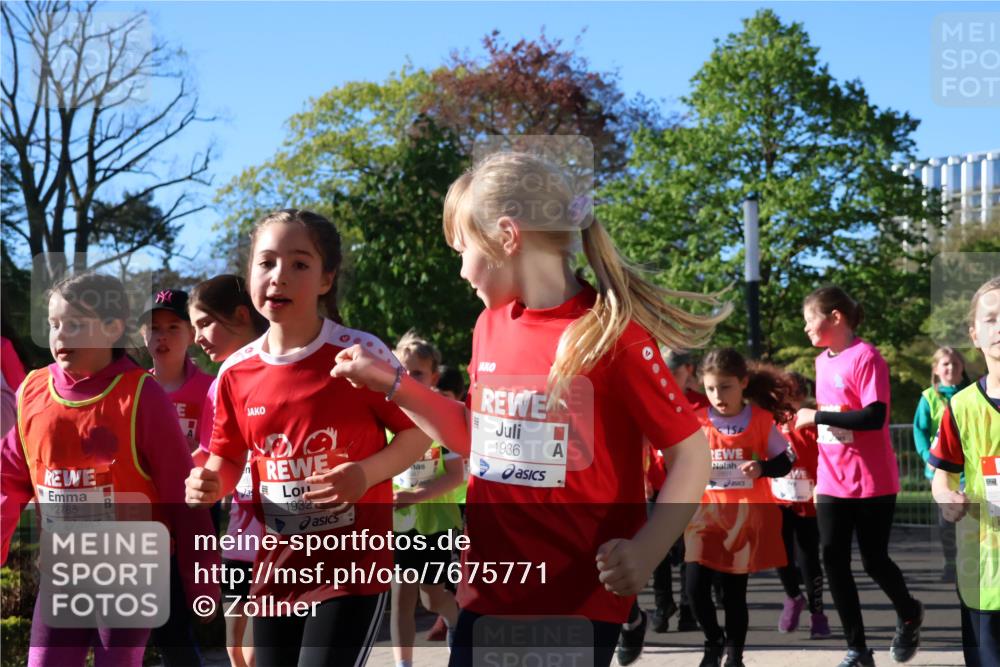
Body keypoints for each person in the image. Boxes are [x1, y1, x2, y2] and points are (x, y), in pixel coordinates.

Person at [331, 152, 725, 667]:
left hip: (575, 600)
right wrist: (392, 384)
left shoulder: (612, 335)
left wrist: (648, 550)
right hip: (486, 591)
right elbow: (473, 437)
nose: (459, 269)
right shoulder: (488, 326)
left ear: (506, 238)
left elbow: (692, 455)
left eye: (462, 249)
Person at [184, 209, 431, 667]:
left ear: (325, 279)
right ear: (250, 274)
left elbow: (419, 434)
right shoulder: (235, 371)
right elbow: (226, 458)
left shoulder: (360, 353)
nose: (280, 277)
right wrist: (208, 483)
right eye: (266, 262)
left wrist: (366, 473)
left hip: (352, 570)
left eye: (300, 264)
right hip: (276, 570)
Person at [0, 272, 219, 667]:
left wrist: (200, 576)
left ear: (113, 328)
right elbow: (9, 477)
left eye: (76, 325)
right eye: (54, 325)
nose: (61, 335)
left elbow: (182, 494)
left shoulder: (141, 394)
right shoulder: (32, 391)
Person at [796, 286, 924, 667]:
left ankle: (909, 613)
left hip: (872, 481)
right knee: (832, 560)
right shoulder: (821, 362)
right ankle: (857, 649)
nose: (805, 328)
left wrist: (816, 416)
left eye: (809, 319)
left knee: (873, 561)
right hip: (833, 481)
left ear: (835, 318)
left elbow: (873, 417)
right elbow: (833, 423)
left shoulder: (867, 357)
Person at [685, 348, 793, 667]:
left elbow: (786, 460)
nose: (718, 396)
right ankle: (712, 642)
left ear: (743, 383)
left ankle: (734, 656)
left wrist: (762, 468)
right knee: (695, 588)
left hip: (743, 521)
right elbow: (677, 461)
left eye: (726, 387)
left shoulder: (759, 420)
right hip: (703, 516)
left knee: (734, 595)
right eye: (711, 388)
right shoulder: (697, 421)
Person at [188, 274, 269, 667]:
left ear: (240, 314)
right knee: (234, 647)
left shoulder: (284, 365)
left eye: (204, 323)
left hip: (282, 532)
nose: (197, 337)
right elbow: (209, 458)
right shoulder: (217, 384)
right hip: (240, 525)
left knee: (257, 649)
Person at [141, 287, 216, 667]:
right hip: (144, 525)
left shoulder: (211, 390)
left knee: (177, 629)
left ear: (191, 334)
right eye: (154, 328)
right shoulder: (133, 390)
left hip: (195, 521)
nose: (163, 336)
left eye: (173, 326)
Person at [929, 275, 1000, 667]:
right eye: (990, 319)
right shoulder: (962, 407)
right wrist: (946, 499)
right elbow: (943, 473)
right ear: (974, 334)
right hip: (985, 571)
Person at [389, 331, 462, 667]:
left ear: (434, 376)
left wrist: (418, 495)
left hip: (434, 522)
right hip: (396, 523)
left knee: (431, 597)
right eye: (401, 371)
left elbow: (455, 475)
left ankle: (454, 619)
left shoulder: (441, 416)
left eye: (417, 373)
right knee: (402, 598)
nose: (407, 378)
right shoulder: (385, 414)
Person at [773, 372, 830, 638]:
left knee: (808, 559)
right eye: (783, 393)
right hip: (778, 501)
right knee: (780, 555)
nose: (788, 399)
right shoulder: (770, 420)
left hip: (808, 501)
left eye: (793, 393)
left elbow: (827, 456)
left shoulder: (813, 420)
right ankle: (793, 597)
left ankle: (818, 614)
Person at [913, 346, 970, 582]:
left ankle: (972, 563)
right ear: (936, 369)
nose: (951, 368)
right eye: (945, 364)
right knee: (947, 518)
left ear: (962, 368)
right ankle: (950, 563)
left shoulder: (972, 394)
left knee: (971, 517)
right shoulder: (929, 397)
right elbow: (920, 430)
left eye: (955, 364)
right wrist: (930, 457)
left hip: (969, 468)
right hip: (941, 469)